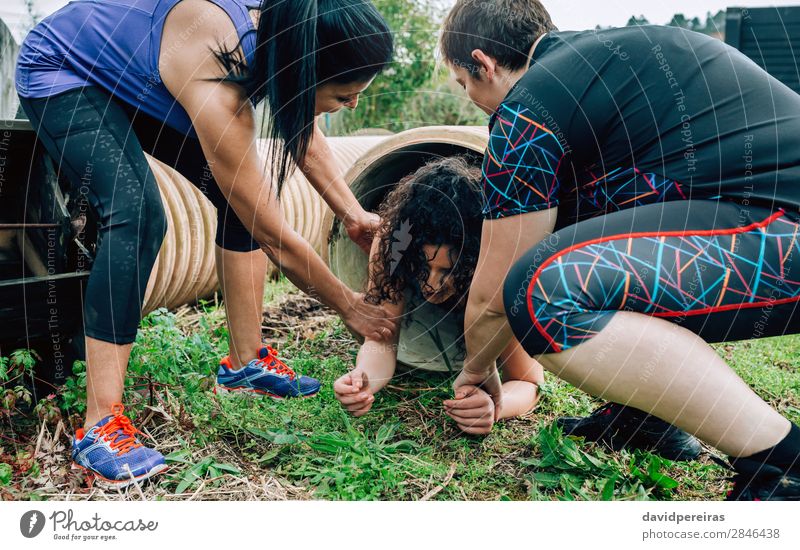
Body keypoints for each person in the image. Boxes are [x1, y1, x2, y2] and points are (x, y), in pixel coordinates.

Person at [15, 0, 398, 487]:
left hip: (146, 80)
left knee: (244, 197)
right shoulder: (221, 67)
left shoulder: (291, 40)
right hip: (65, 70)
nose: (354, 106)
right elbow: (273, 235)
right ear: (305, 72)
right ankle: (99, 425)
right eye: (346, 96)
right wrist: (349, 304)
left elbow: (305, 138)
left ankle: (245, 362)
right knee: (137, 215)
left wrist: (355, 215)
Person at [440, 0, 800, 499]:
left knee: (540, 291)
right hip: (768, 220)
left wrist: (475, 372)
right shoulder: (605, 67)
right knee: (588, 238)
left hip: (783, 231)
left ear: (484, 62)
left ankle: (782, 464)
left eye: (465, 84)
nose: (472, 101)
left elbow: (496, 287)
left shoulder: (528, 108)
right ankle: (642, 419)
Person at [333, 157, 543, 434]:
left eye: (448, 271)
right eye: (423, 266)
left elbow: (528, 380)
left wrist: (496, 405)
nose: (432, 284)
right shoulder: (393, 242)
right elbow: (380, 339)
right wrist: (364, 379)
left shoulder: (499, 267)